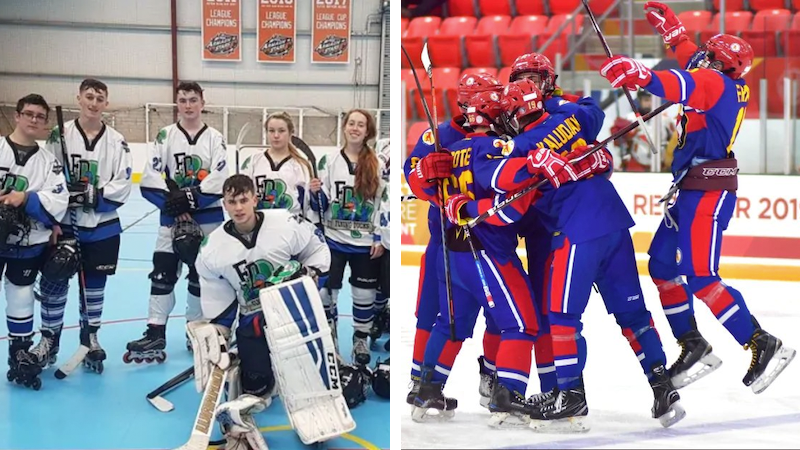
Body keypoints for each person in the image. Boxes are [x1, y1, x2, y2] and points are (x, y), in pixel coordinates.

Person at [600, 1, 795, 394]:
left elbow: (679, 83)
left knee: (702, 276)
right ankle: (692, 344)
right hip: (692, 189)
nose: (701, 57)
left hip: (707, 192)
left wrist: (640, 74)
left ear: (719, 64)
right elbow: (691, 61)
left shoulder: (713, 83)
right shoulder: (721, 78)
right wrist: (674, 32)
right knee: (660, 265)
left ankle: (761, 342)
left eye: (709, 55)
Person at [190, 174, 338, 449]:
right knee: (258, 388)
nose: (238, 207)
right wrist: (218, 333)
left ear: (255, 199)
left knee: (305, 379)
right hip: (252, 321)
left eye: (244, 199)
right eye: (232, 201)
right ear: (224, 204)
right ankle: (241, 409)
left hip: (290, 315)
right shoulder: (212, 248)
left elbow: (316, 248)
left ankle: (315, 409)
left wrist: (310, 274)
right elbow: (219, 299)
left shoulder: (285, 222)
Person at [403, 71, 505, 407]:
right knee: (435, 311)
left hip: (492, 240)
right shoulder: (441, 134)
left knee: (499, 315)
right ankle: (422, 380)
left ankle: (491, 373)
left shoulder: (501, 133)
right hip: (447, 240)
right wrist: (426, 175)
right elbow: (412, 174)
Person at [30, 78, 132, 374]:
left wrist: (90, 195)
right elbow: (46, 172)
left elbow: (123, 182)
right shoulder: (58, 135)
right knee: (54, 283)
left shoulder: (116, 140)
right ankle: (49, 340)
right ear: (79, 98)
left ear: (106, 103)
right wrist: (63, 194)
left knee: (95, 287)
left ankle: (91, 337)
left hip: (102, 227)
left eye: (100, 98)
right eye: (89, 97)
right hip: (65, 225)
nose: (94, 103)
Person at [126, 81, 228, 363]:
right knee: (162, 273)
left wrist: (188, 202)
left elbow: (220, 179)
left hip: (208, 219)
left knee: (202, 276)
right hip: (170, 219)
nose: (188, 105)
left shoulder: (215, 138)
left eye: (193, 100)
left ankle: (194, 332)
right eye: (182, 100)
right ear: (178, 103)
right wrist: (175, 206)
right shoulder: (165, 135)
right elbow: (151, 177)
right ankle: (155, 332)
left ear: (202, 103)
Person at [1, 94, 69, 389]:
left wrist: (26, 199)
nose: (33, 120)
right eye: (28, 114)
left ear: (44, 124)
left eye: (40, 117)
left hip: (29, 243)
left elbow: (58, 201)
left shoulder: (48, 162)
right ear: (16, 116)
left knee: (21, 294)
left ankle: (18, 353)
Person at [310, 109, 386, 366]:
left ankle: (360, 338)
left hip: (365, 243)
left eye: (360, 125)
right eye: (351, 123)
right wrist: (315, 193)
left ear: (368, 131)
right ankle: (329, 335)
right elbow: (322, 204)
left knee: (364, 295)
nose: (355, 128)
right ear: (344, 127)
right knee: (325, 292)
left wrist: (379, 236)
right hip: (334, 239)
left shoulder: (377, 162)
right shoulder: (328, 161)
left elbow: (382, 203)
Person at [239, 111, 313, 217]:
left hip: (289, 225)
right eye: (271, 131)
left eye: (281, 131)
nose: (276, 135)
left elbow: (306, 203)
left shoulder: (301, 165)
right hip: (260, 223)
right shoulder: (253, 161)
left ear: (290, 133)